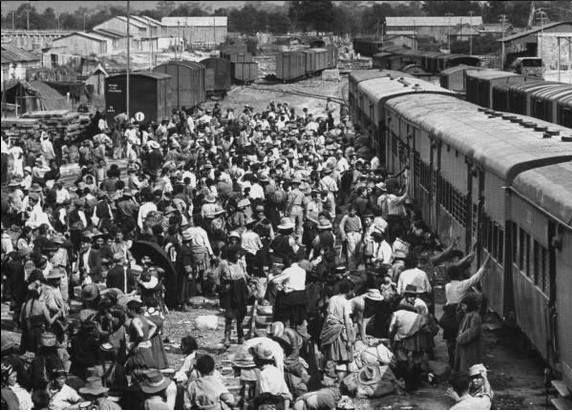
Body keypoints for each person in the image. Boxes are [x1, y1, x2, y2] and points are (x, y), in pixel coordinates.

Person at [319, 280, 355, 380]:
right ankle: (340, 383)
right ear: (349, 291)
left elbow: (329, 315)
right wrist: (348, 339)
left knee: (330, 356)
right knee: (342, 360)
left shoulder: (332, 299)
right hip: (341, 333)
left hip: (331, 331)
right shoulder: (346, 303)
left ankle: (327, 377)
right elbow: (347, 321)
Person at [219, 248, 250, 346]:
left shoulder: (240, 263)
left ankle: (241, 336)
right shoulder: (224, 263)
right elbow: (214, 276)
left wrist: (249, 282)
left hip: (240, 289)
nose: (238, 256)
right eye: (237, 254)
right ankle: (227, 338)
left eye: (239, 254)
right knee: (229, 315)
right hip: (230, 290)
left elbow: (244, 274)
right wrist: (223, 286)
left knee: (240, 314)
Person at [251, 342, 292, 409]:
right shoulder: (277, 371)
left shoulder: (263, 374)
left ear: (258, 360)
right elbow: (287, 395)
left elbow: (265, 396)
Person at [454, 293, 483, 373]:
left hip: (471, 348)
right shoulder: (468, 315)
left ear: (469, 305)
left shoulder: (475, 316)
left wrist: (460, 338)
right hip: (466, 347)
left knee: (470, 367)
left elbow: (473, 331)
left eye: (464, 306)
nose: (462, 308)